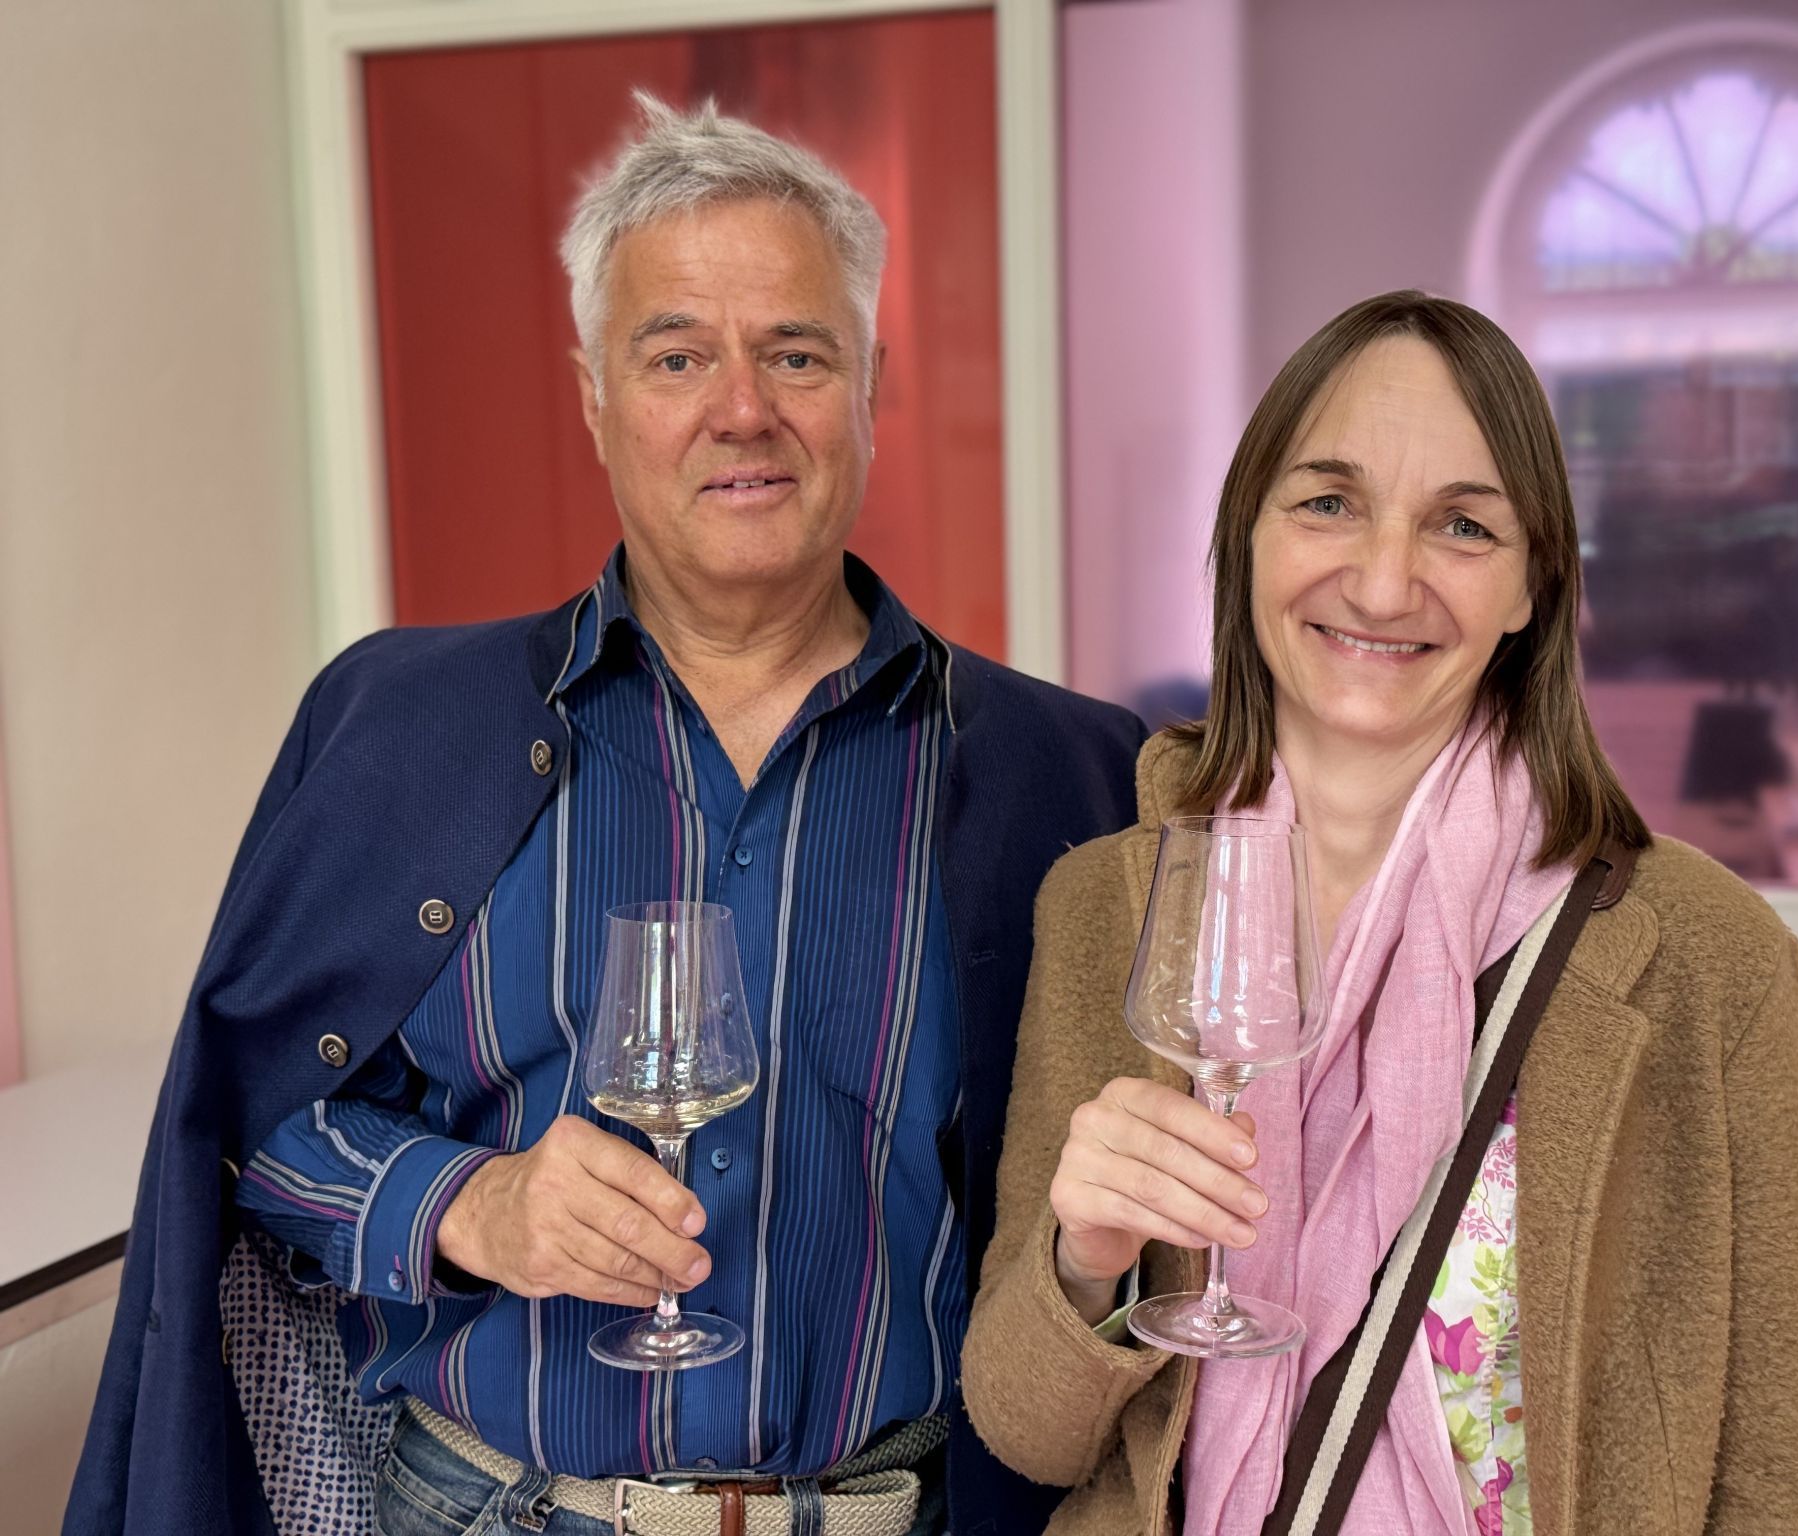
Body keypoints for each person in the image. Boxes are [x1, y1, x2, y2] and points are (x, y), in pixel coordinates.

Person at [66, 97, 1144, 1536]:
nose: (741, 409)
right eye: (676, 356)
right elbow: (244, 1122)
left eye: (797, 353)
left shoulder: (1070, 774)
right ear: (593, 398)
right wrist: (461, 1203)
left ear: (871, 386)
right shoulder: (393, 726)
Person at [960, 291, 1798, 1535]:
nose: (1383, 583)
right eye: (1327, 503)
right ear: (1247, 537)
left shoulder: (1707, 958)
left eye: (1461, 526)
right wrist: (1085, 1256)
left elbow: (1786, 1479)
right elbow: (1026, 1431)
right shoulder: (1106, 906)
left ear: (1532, 587)